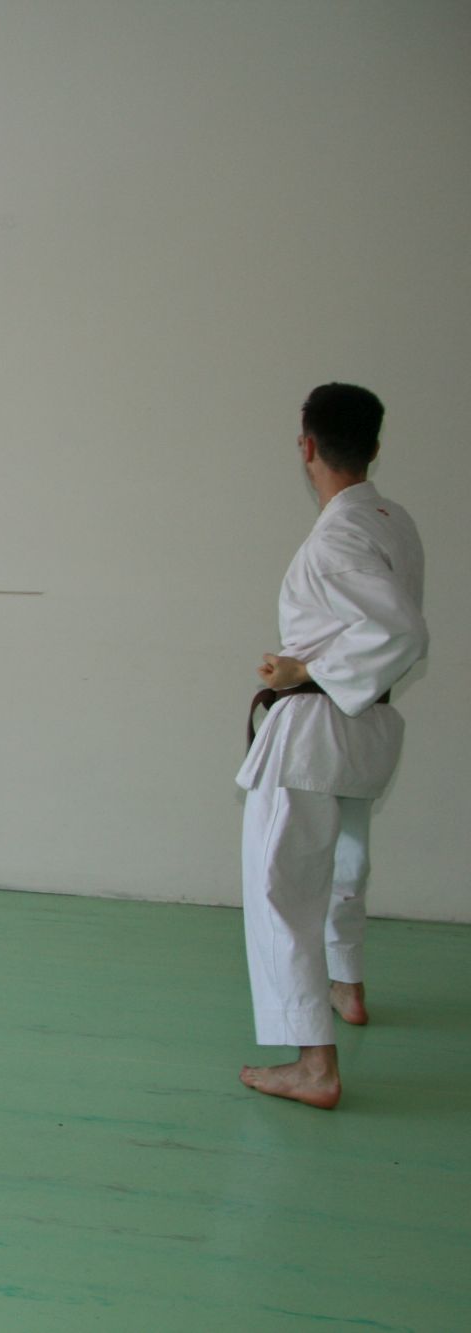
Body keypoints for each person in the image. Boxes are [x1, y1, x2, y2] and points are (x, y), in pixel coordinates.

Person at [236, 383, 426, 1110]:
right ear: (374, 446)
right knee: (346, 859)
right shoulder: (392, 521)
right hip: (362, 728)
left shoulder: (337, 535)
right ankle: (347, 982)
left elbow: (402, 632)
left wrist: (303, 671)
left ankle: (315, 1064)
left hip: (315, 732)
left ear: (307, 445)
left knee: (280, 888)